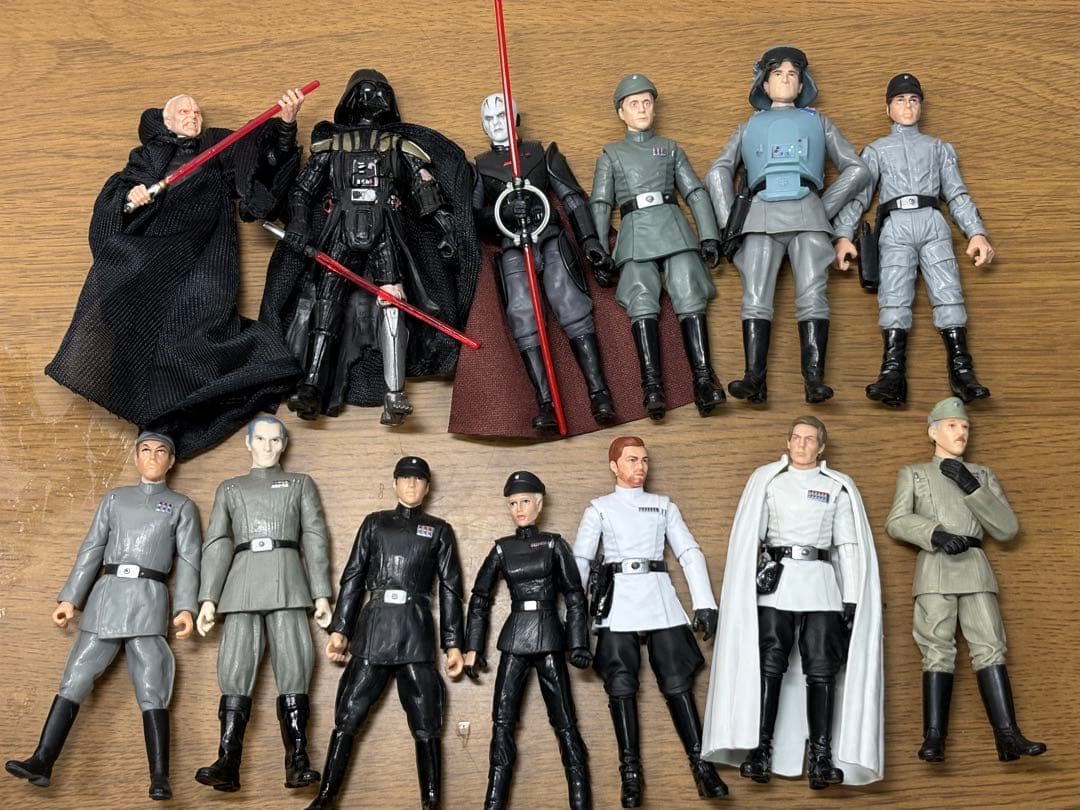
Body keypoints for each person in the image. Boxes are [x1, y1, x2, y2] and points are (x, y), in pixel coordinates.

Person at [46, 89, 306, 458]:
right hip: (153, 249)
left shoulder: (217, 148)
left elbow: (260, 166)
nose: (193, 116)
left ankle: (186, 407)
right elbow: (120, 195)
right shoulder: (150, 155)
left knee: (204, 319)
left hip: (205, 251)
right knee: (140, 326)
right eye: (183, 111)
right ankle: (157, 418)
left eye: (197, 111)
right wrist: (131, 198)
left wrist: (286, 125)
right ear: (166, 120)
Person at [264, 69, 480, 426]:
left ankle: (394, 395)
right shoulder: (333, 146)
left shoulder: (397, 145)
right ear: (350, 99)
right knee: (326, 299)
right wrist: (300, 222)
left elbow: (425, 190)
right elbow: (302, 190)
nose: (373, 98)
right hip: (340, 226)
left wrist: (445, 230)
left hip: (386, 229)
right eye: (365, 92)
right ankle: (313, 384)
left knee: (393, 300)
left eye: (380, 92)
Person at [5, 432, 201, 800]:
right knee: (76, 675)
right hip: (107, 596)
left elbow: (190, 560)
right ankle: (43, 760)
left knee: (152, 684)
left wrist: (186, 608)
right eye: (146, 450)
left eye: (161, 451)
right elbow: (92, 548)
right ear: (136, 456)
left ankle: (160, 777)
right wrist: (70, 599)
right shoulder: (115, 499)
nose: (152, 457)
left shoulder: (180, 506)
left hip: (148, 599)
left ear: (171, 461)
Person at [702, 416, 883, 790]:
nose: (802, 444)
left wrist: (852, 597)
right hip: (778, 583)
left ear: (821, 446)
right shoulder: (770, 482)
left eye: (810, 439)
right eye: (797, 438)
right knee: (769, 664)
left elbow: (848, 545)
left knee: (822, 667)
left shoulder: (835, 488)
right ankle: (760, 749)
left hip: (820, 582)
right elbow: (753, 538)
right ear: (787, 442)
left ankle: (821, 756)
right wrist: (744, 588)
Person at [885, 397, 1046, 763]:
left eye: (965, 427)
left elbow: (1007, 529)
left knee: (990, 646)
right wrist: (935, 534)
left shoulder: (982, 475)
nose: (961, 433)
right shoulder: (914, 473)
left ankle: (1008, 736)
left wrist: (972, 487)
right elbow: (896, 521)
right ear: (933, 432)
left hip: (974, 566)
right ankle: (934, 738)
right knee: (936, 649)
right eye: (952, 426)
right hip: (936, 566)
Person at [705, 46, 868, 403]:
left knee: (813, 295)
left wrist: (824, 208)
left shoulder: (818, 121)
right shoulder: (748, 126)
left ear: (802, 84)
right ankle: (754, 378)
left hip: (807, 210)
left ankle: (814, 380)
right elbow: (717, 172)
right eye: (777, 74)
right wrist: (731, 222)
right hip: (761, 213)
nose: (785, 80)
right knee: (755, 297)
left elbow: (858, 169)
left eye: (792, 74)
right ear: (764, 85)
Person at [573, 436, 726, 807]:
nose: (639, 466)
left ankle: (702, 765)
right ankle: (630, 773)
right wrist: (574, 620)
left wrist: (705, 602)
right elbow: (580, 561)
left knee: (677, 680)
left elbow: (688, 551)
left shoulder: (662, 506)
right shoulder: (600, 509)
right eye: (631, 460)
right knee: (620, 685)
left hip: (658, 594)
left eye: (643, 460)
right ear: (614, 465)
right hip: (617, 599)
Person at [306, 456, 465, 810]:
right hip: (374, 630)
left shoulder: (438, 530)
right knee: (348, 713)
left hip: (415, 630)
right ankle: (326, 797)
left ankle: (432, 802)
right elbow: (353, 577)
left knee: (426, 719)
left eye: (418, 479)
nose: (411, 484)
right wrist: (341, 629)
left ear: (427, 487)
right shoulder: (375, 523)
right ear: (394, 483)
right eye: (404, 478)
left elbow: (451, 588)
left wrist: (453, 644)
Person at [834, 73, 994, 406]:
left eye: (914, 100)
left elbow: (957, 194)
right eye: (900, 100)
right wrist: (843, 235)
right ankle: (892, 374)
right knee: (894, 296)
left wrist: (976, 232)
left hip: (932, 222)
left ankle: (962, 372)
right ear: (888, 108)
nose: (907, 106)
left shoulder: (938, 148)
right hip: (895, 226)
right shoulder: (877, 150)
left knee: (948, 293)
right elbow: (858, 197)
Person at [195, 415, 332, 793]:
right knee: (234, 665)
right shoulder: (230, 488)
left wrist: (321, 592)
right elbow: (217, 543)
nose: (268, 447)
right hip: (241, 582)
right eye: (261, 439)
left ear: (284, 444)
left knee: (296, 662)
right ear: (248, 443)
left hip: (287, 578)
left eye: (275, 440)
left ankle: (298, 758)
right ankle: (227, 758)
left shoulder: (300, 484)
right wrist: (208, 598)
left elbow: (315, 536)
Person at [473, 92, 615, 430]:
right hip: (512, 246)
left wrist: (590, 240)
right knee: (522, 314)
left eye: (502, 116)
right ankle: (546, 404)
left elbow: (571, 197)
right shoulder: (478, 167)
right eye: (489, 119)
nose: (497, 124)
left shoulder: (541, 153)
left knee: (571, 305)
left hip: (549, 237)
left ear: (516, 119)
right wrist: (505, 213)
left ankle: (600, 395)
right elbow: (474, 218)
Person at [590, 75, 725, 420]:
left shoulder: (670, 148)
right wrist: (598, 247)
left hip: (672, 226)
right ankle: (652, 387)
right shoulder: (611, 154)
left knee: (689, 293)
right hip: (635, 231)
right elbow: (601, 202)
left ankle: (703, 380)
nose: (642, 109)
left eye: (647, 103)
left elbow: (694, 191)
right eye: (633, 104)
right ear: (621, 112)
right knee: (640, 299)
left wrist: (709, 234)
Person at [464, 471, 592, 809]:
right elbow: (480, 598)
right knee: (502, 722)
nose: (519, 509)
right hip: (515, 636)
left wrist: (578, 643)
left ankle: (580, 799)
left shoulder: (553, 544)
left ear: (539, 503)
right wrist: (472, 647)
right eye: (512, 503)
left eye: (524, 501)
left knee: (565, 721)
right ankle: (493, 801)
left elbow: (575, 595)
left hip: (549, 635)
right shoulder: (502, 548)